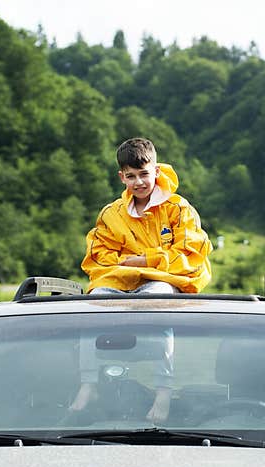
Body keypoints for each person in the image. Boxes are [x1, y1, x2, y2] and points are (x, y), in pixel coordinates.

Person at [71, 137, 213, 421]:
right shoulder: (112, 214)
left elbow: (189, 252)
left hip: (163, 279)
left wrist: (142, 260)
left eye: (144, 174)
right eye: (131, 176)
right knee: (93, 304)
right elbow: (100, 254)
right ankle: (89, 384)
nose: (139, 182)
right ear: (121, 176)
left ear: (156, 171)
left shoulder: (178, 208)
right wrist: (132, 267)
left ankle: (163, 392)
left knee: (157, 300)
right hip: (121, 281)